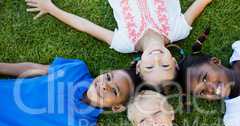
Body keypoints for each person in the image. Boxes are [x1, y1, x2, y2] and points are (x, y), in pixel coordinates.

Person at [25, 0, 213, 86]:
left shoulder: (125, 43)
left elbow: (86, 26)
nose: (156, 58)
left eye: (150, 66)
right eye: (164, 65)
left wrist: (51, 8)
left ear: (139, 66)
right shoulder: (178, 30)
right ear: (174, 62)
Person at [0, 57, 141, 126]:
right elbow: (36, 69)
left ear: (116, 108)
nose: (104, 85)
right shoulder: (77, 69)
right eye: (108, 77)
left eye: (114, 91)